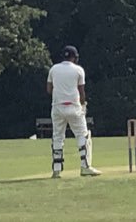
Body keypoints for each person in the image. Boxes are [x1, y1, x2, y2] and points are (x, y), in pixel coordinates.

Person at [46, 46, 100, 178]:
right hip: (74, 107)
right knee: (82, 135)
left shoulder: (53, 69)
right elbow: (81, 92)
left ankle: (56, 170)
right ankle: (85, 167)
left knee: (57, 137)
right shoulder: (78, 70)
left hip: (57, 107)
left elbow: (49, 89)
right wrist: (83, 105)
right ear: (75, 57)